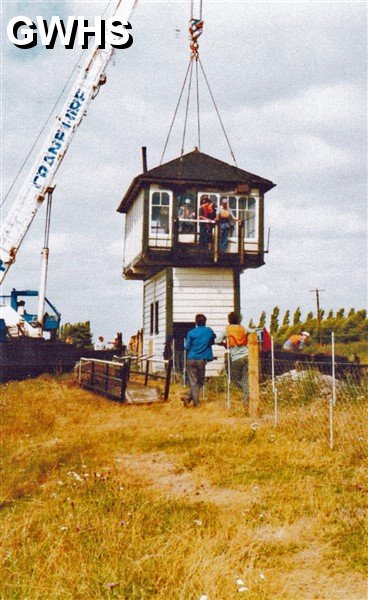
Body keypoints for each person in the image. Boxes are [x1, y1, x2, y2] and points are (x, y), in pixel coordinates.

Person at [182, 314, 215, 407]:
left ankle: (188, 398)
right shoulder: (209, 331)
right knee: (200, 381)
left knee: (194, 381)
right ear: (205, 322)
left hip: (191, 358)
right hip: (202, 359)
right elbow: (213, 339)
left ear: (196, 322)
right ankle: (196, 404)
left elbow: (186, 347)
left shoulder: (191, 332)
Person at [216, 311, 249, 402]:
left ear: (229, 320)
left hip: (236, 357)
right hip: (247, 355)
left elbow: (217, 340)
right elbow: (254, 333)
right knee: (245, 378)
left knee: (235, 379)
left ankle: (248, 392)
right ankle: (246, 399)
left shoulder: (227, 329)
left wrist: (224, 344)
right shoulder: (243, 328)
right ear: (239, 320)